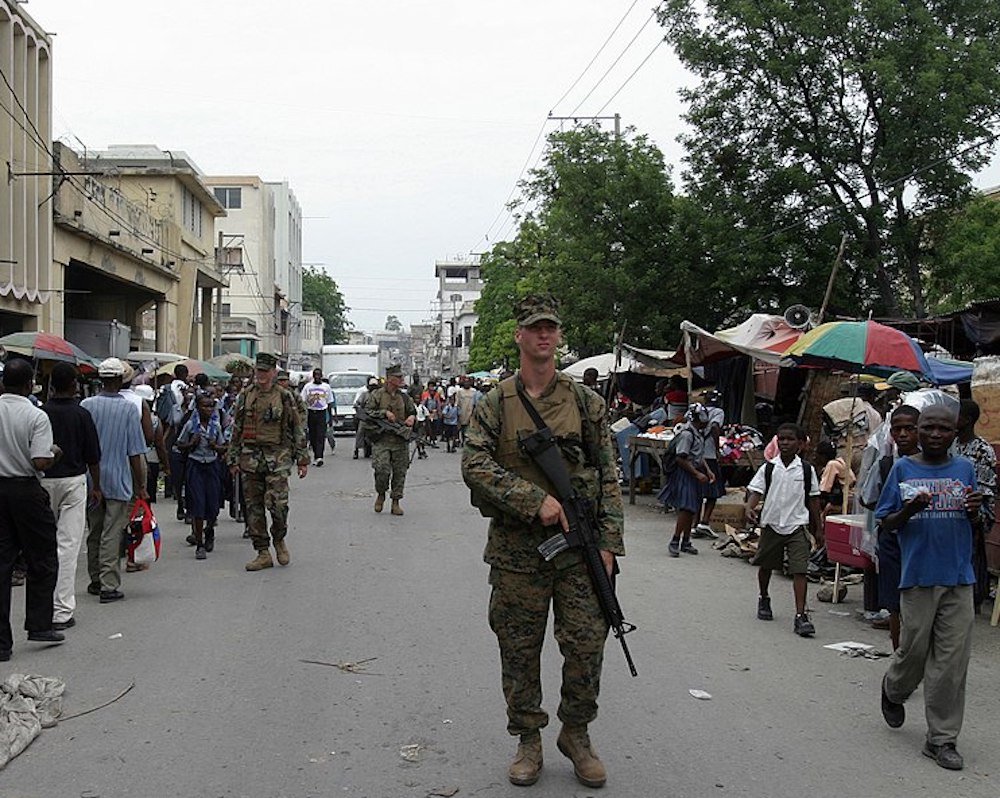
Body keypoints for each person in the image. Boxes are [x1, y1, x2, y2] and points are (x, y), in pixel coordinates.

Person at [461, 294, 625, 789]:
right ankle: (528, 739)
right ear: (520, 335)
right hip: (517, 552)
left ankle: (575, 734)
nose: (544, 335)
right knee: (519, 647)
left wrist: (609, 543)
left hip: (579, 551)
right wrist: (537, 502)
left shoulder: (585, 403)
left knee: (586, 645)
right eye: (535, 328)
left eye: (551, 327)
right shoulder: (495, 403)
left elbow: (609, 475)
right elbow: (473, 465)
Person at [875, 405, 982, 771]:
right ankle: (894, 688)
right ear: (917, 431)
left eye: (944, 429)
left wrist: (973, 511)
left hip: (958, 578)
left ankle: (942, 739)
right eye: (929, 428)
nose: (936, 434)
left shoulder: (965, 469)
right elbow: (887, 523)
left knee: (952, 663)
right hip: (917, 577)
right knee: (914, 653)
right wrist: (910, 509)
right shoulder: (903, 468)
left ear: (956, 432)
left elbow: (978, 520)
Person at [0, 359, 64, 660]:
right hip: (25, 489)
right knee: (42, 556)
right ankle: (39, 624)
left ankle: (1, 643)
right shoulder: (35, 415)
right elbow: (40, 461)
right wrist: (54, 453)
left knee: (2, 563)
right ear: (29, 385)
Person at [227, 352, 309, 571]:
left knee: (278, 506)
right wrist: (232, 458)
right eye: (258, 371)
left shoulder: (284, 396)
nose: (261, 375)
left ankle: (279, 539)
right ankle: (262, 552)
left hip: (278, 458)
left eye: (265, 371)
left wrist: (302, 458)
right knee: (253, 508)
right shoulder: (245, 396)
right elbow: (237, 428)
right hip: (250, 458)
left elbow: (297, 427)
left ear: (273, 372)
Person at [745, 422, 822, 637]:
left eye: (790, 439)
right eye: (782, 439)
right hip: (771, 524)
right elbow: (756, 491)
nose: (785, 443)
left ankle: (801, 615)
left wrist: (819, 530)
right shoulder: (769, 467)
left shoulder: (807, 470)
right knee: (766, 566)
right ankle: (764, 597)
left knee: (800, 570)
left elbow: (814, 500)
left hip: (797, 525)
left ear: (800, 444)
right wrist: (750, 508)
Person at [82, 358, 149, 604]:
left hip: (92, 479)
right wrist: (141, 485)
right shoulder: (129, 409)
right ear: (121, 380)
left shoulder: (87, 405)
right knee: (112, 532)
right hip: (119, 479)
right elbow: (135, 452)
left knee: (95, 530)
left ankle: (95, 579)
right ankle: (109, 585)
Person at [41, 362, 102, 630]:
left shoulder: (40, 413)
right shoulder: (82, 414)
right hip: (73, 482)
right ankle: (61, 610)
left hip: (43, 482)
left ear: (52, 385)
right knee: (68, 546)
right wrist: (97, 486)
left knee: (43, 546)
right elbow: (93, 457)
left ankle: (40, 607)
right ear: (75, 385)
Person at [861, 405, 921, 649]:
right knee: (895, 603)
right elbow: (869, 497)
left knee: (919, 599)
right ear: (891, 434)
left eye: (910, 428)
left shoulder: (931, 463)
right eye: (898, 429)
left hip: (921, 541)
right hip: (892, 540)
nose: (904, 434)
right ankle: (899, 653)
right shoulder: (885, 465)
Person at [956, 398, 997, 613]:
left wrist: (978, 516)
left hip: (971, 517)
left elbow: (986, 488)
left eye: (957, 415)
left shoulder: (982, 450)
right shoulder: (950, 444)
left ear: (968, 420)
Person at [658, 404, 714, 557]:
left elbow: (698, 455)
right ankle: (675, 540)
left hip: (694, 472)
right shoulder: (687, 434)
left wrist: (708, 471)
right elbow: (681, 458)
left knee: (693, 508)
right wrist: (697, 474)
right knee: (687, 507)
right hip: (686, 474)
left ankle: (686, 541)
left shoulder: (698, 433)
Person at [176, 394, 226, 560]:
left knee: (212, 505)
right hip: (195, 465)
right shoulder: (191, 425)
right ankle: (199, 544)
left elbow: (224, 447)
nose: (209, 409)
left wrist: (215, 446)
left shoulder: (216, 426)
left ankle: (209, 530)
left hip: (211, 465)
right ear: (197, 408)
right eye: (205, 406)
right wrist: (191, 444)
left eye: (211, 406)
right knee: (198, 504)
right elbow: (179, 444)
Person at [364, 364, 417, 516]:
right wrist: (384, 413)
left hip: (400, 441)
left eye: (402, 377)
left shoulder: (404, 397)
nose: (401, 379)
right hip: (382, 440)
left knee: (400, 472)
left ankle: (396, 501)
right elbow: (367, 413)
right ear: (389, 379)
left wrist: (412, 418)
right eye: (398, 377)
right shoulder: (377, 395)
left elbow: (412, 411)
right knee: (382, 470)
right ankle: (381, 494)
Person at [693, 391, 726, 539]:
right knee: (713, 491)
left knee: (698, 491)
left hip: (697, 455)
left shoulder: (697, 410)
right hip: (709, 455)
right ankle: (704, 522)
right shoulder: (718, 412)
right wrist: (718, 448)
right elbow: (714, 427)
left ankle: (694, 525)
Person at [300, 368, 334, 466]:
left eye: (319, 375)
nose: (317, 377)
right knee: (313, 436)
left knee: (321, 435)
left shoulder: (326, 387)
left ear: (321, 376)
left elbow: (329, 403)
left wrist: (330, 418)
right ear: (313, 376)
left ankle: (320, 457)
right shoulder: (308, 386)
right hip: (311, 412)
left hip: (321, 413)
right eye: (316, 375)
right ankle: (316, 454)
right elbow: (303, 401)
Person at [455, 377, 477, 446]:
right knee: (462, 427)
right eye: (465, 382)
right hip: (462, 412)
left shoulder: (474, 391)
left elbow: (475, 402)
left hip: (470, 412)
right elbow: (457, 402)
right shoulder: (460, 391)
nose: (467, 384)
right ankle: (462, 440)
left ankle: (467, 440)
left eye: (468, 382)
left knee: (469, 428)